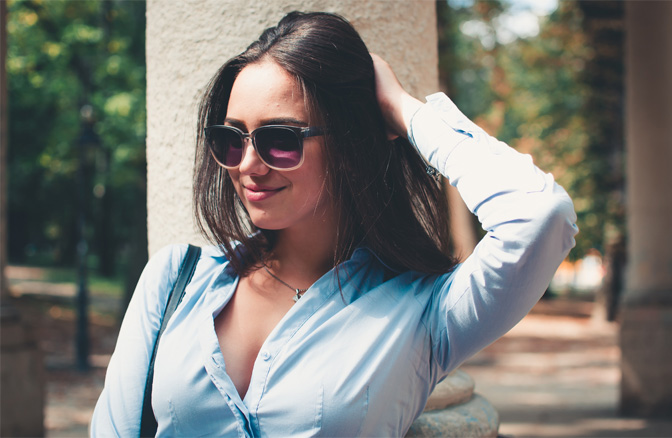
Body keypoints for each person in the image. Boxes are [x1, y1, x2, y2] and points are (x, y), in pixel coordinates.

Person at [91, 11, 577, 437]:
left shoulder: (423, 314)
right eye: (231, 139)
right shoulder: (176, 279)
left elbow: (539, 216)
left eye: (279, 139)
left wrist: (403, 112)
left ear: (350, 144)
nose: (248, 165)